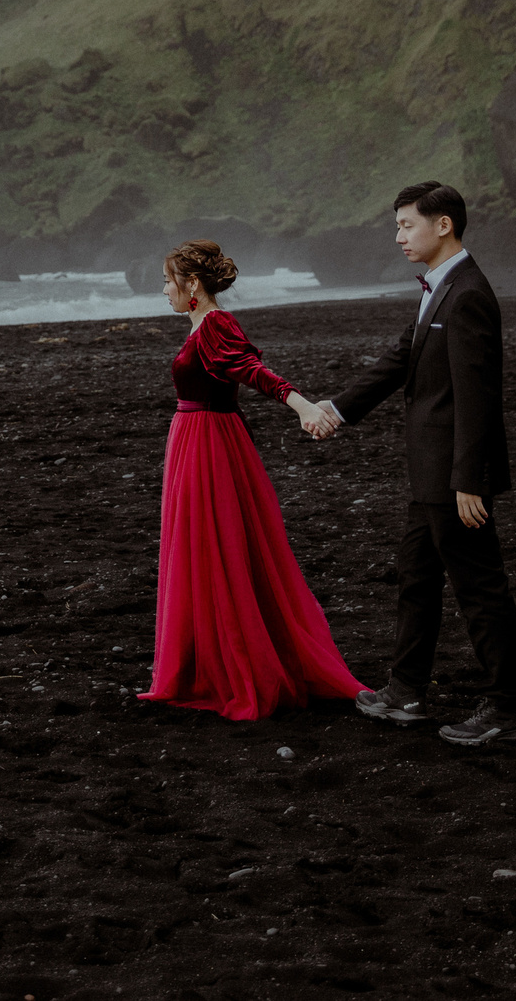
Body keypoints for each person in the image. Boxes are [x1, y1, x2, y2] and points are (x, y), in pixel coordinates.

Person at [308, 182, 516, 745]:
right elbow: (402, 358)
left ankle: (511, 710)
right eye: (398, 225)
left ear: (444, 226)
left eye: (407, 224)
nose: (399, 235)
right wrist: (336, 409)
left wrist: (468, 481)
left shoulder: (469, 294)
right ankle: (406, 691)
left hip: (452, 479)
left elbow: (477, 397)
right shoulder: (442, 287)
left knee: (480, 590)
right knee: (416, 580)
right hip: (428, 476)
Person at [140, 239, 366, 721]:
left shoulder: (216, 324)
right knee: (204, 548)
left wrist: (302, 405)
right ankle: (206, 658)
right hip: (195, 440)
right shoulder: (201, 325)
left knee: (216, 547)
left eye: (168, 281)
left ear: (193, 285)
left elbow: (251, 370)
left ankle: (235, 663)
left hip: (209, 443)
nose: (164, 291)